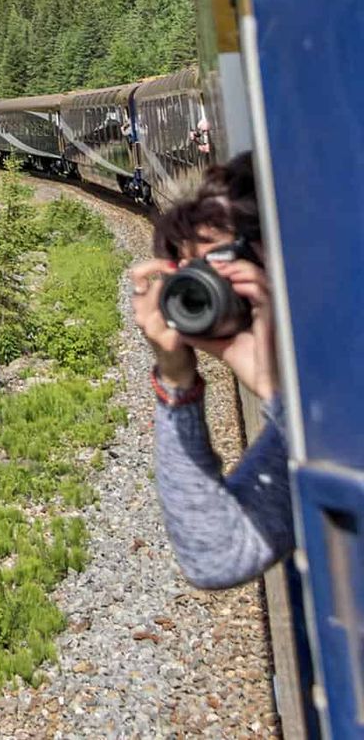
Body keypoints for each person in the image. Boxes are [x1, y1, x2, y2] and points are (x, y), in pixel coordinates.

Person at [131, 152, 295, 589]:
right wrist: (176, 378)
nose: (211, 289)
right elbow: (216, 556)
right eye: (197, 274)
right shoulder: (309, 403)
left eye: (220, 265)